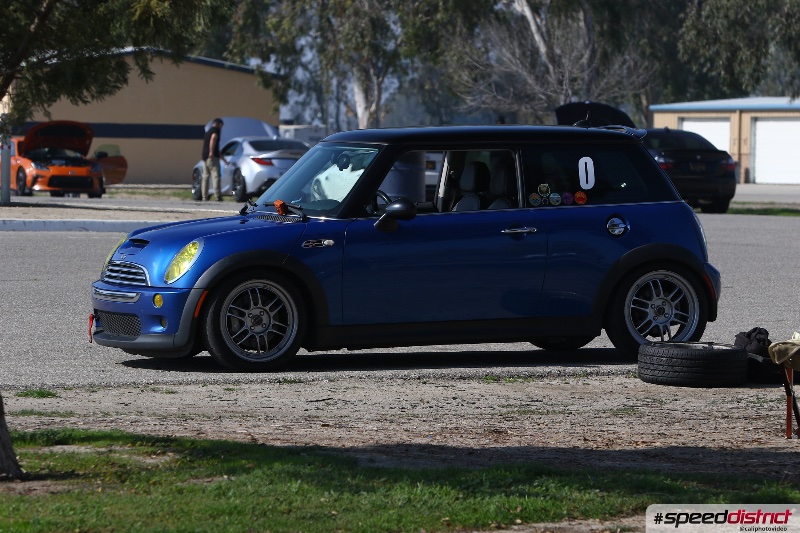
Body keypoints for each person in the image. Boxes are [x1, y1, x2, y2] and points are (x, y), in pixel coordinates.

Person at [201, 118, 224, 201]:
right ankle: (218, 196)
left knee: (205, 177)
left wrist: (221, 155)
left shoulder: (208, 131)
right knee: (216, 176)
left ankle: (204, 196)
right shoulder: (216, 130)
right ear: (219, 124)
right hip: (212, 157)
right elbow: (213, 138)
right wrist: (211, 152)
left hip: (205, 156)